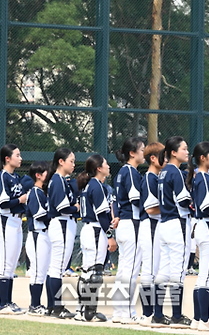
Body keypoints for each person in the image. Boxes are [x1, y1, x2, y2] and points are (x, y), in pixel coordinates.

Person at [151, 136, 192, 329]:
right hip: (177, 223)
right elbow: (184, 201)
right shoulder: (175, 172)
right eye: (184, 149)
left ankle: (158, 315)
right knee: (178, 271)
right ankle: (176, 315)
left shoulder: (163, 172)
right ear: (173, 152)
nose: (187, 152)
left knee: (163, 272)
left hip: (164, 224)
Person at [76, 154, 117, 322]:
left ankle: (83, 311)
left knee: (87, 270)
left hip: (90, 229)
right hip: (95, 230)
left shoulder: (90, 185)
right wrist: (110, 237)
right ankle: (89, 313)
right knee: (94, 272)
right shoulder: (96, 185)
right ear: (99, 168)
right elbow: (102, 216)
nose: (108, 166)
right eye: (106, 164)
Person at [188, 141, 209, 331]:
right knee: (206, 277)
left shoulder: (201, 177)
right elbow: (208, 207)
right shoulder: (203, 178)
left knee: (203, 277)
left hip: (204, 226)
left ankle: (197, 319)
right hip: (208, 227)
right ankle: (204, 319)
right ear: (203, 158)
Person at [0, 144, 28, 315]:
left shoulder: (15, 177)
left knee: (12, 265)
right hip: (6, 220)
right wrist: (20, 201)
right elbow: (2, 203)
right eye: (17, 155)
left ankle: (8, 302)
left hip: (16, 221)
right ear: (7, 158)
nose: (20, 158)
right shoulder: (3, 176)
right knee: (6, 264)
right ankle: (2, 304)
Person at [113, 137, 144, 324]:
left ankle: (122, 311)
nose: (144, 153)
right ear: (132, 153)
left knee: (124, 269)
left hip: (124, 223)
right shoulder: (131, 172)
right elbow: (135, 199)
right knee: (130, 271)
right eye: (141, 150)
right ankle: (123, 312)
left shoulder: (122, 172)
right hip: (131, 222)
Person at [46, 148, 79, 319]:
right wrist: (77, 208)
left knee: (55, 268)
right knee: (57, 268)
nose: (73, 164)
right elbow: (62, 207)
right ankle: (57, 308)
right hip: (62, 223)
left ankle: (53, 307)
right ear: (61, 161)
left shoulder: (60, 180)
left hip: (62, 224)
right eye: (71, 161)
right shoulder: (58, 180)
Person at [138, 141, 165, 327]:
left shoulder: (157, 178)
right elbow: (150, 209)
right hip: (150, 225)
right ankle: (148, 314)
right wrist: (172, 209)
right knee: (149, 270)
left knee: (154, 270)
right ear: (153, 158)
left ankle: (153, 313)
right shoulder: (150, 178)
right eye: (163, 156)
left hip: (154, 225)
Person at [25, 161, 51, 316]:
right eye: (46, 171)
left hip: (44, 235)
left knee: (42, 271)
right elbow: (40, 215)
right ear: (38, 175)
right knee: (37, 272)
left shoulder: (42, 192)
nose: (49, 173)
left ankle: (37, 305)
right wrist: (55, 214)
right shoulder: (34, 192)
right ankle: (34, 305)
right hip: (37, 234)